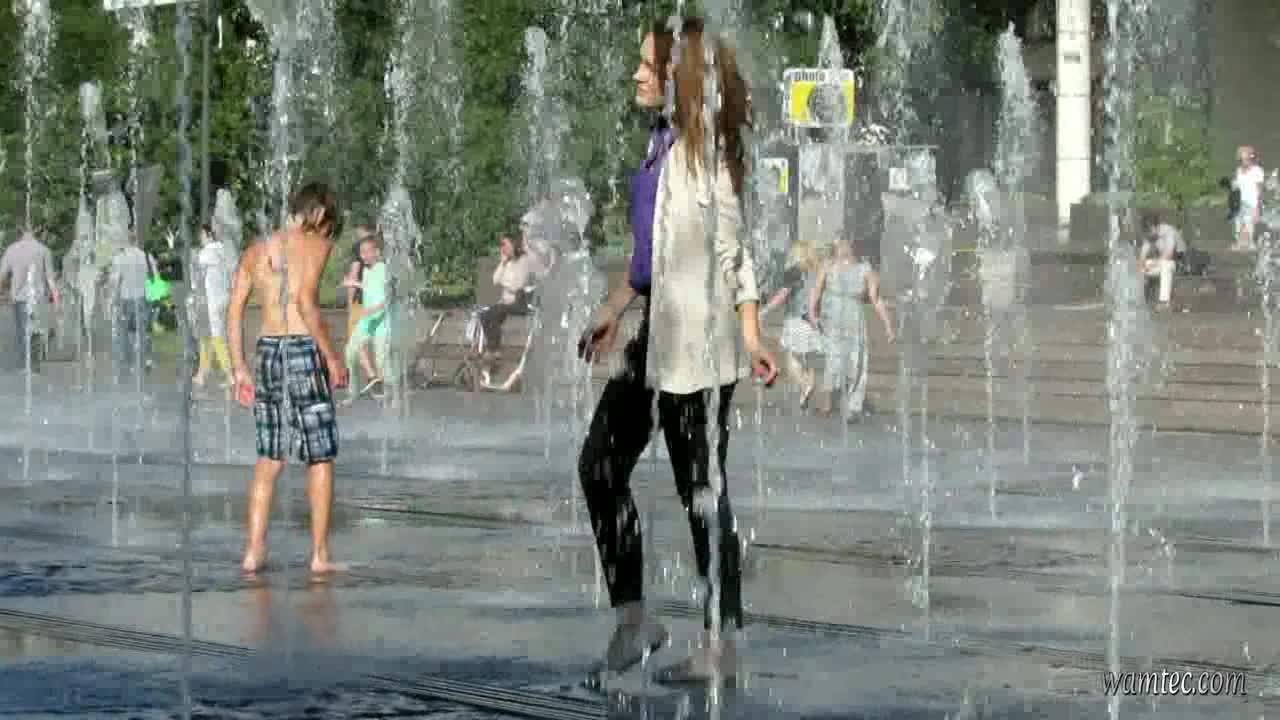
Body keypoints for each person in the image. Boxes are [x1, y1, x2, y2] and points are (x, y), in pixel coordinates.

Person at [576, 17, 778, 684]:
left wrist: (752, 334)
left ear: (676, 76)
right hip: (656, 339)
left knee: (702, 494)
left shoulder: (704, 153)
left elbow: (734, 250)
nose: (636, 75)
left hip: (702, 348)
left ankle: (721, 647)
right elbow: (648, 257)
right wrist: (612, 312)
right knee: (599, 466)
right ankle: (635, 620)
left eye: (647, 66)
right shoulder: (658, 145)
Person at [227, 182, 349, 575]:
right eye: (329, 223)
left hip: (267, 352)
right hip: (302, 349)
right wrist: (331, 357)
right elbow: (305, 302)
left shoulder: (255, 250)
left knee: (269, 457)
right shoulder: (316, 245)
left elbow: (233, 311)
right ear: (319, 213)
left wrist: (238, 367)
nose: (329, 232)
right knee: (320, 455)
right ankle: (319, 556)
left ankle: (253, 551)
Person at [808, 237, 894, 420]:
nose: (840, 247)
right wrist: (812, 312)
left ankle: (852, 406)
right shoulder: (828, 265)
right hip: (833, 317)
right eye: (838, 244)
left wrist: (887, 325)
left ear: (852, 246)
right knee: (833, 359)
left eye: (844, 243)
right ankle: (827, 402)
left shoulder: (865, 269)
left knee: (857, 361)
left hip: (854, 319)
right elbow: (816, 290)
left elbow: (876, 299)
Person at [763, 239, 823, 409]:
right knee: (809, 361)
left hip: (796, 320)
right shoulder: (817, 273)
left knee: (791, 359)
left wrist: (765, 310)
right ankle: (806, 390)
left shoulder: (794, 271)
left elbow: (782, 295)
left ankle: (804, 385)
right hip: (813, 322)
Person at [341, 230, 392, 402]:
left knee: (381, 359)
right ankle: (353, 392)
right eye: (361, 253)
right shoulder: (368, 271)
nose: (363, 256)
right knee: (350, 351)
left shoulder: (383, 269)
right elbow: (369, 286)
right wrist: (354, 283)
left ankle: (389, 395)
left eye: (366, 252)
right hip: (368, 320)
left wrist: (374, 309)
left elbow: (388, 297)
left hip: (381, 321)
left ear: (377, 252)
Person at [0, 229, 60, 372]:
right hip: (38, 298)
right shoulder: (44, 250)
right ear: (37, 232)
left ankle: (28, 365)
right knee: (36, 329)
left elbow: (2, 275)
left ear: (20, 232)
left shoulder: (11, 249)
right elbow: (50, 278)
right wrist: (57, 300)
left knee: (23, 331)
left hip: (19, 298)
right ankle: (34, 363)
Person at [107, 234, 156, 381]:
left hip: (126, 299)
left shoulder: (120, 258)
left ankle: (127, 363)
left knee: (124, 332)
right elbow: (153, 276)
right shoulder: (146, 257)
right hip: (142, 298)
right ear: (136, 242)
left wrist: (112, 299)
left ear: (125, 242)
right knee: (143, 330)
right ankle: (145, 360)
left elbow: (115, 281)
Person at [192, 223, 234, 389]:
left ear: (208, 235)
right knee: (209, 337)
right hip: (223, 298)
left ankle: (230, 376)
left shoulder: (206, 253)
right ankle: (202, 374)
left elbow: (198, 278)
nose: (200, 238)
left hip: (211, 301)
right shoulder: (222, 250)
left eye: (202, 235)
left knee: (215, 338)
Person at [480, 233, 534, 356]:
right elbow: (495, 280)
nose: (502, 248)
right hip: (506, 302)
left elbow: (518, 285)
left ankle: (493, 350)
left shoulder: (523, 261)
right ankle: (494, 350)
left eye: (505, 244)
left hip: (519, 301)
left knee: (495, 312)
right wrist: (503, 263)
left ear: (514, 245)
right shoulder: (507, 262)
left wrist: (504, 283)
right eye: (501, 245)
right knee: (484, 316)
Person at [343, 226, 378, 387]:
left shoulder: (358, 254)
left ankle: (371, 375)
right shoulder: (378, 253)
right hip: (376, 303)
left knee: (357, 340)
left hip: (361, 303)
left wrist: (350, 306)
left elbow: (353, 278)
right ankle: (380, 375)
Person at [1137, 213, 1186, 307]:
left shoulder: (1168, 231)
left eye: (1149, 230)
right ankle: (1139, 298)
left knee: (1166, 265)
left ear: (1155, 227)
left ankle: (1164, 301)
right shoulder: (1150, 235)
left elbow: (1168, 255)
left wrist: (1153, 265)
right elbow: (1142, 256)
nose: (1148, 233)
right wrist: (1142, 265)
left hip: (1178, 262)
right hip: (1162, 262)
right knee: (1144, 265)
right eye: (1146, 231)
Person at [1232, 145, 1265, 251]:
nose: (1243, 161)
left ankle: (1251, 246)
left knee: (1248, 226)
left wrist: (1257, 208)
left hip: (1252, 203)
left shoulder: (1257, 170)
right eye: (1241, 158)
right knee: (1238, 225)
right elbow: (1237, 187)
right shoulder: (1238, 170)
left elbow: (1259, 190)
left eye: (1245, 158)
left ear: (1251, 157)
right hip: (1240, 202)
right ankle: (1239, 245)